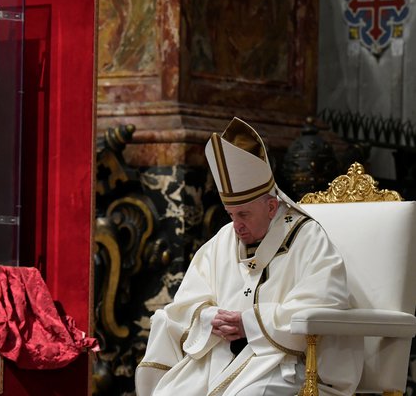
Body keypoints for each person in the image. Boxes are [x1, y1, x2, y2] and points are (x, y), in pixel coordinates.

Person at [136, 118, 362, 395]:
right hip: (220, 356)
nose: (236, 225)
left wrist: (251, 323)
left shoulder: (308, 237)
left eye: (244, 214)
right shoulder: (224, 239)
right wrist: (209, 318)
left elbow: (326, 302)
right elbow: (189, 301)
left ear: (271, 206)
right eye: (230, 214)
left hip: (282, 361)